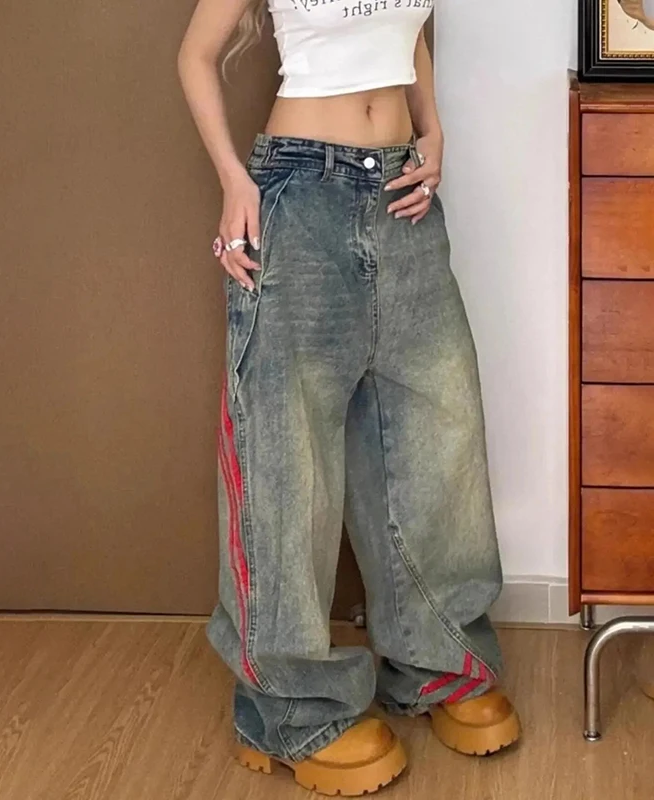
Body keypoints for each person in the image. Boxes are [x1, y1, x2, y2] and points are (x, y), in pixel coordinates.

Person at [178, 0, 521, 794]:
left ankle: (437, 663)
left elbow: (410, 34)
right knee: (286, 458)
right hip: (300, 190)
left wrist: (433, 131)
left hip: (401, 190)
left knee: (435, 435)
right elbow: (195, 56)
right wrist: (234, 181)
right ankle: (289, 709)